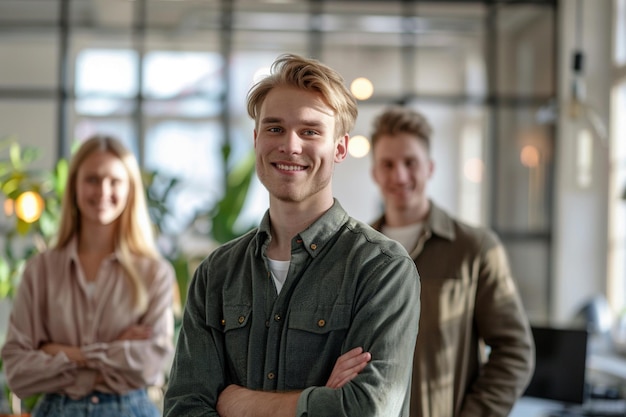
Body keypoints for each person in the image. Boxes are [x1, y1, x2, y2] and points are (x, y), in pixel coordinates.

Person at [163, 53, 421, 417]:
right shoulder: (216, 274)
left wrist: (239, 403)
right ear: (256, 139)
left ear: (340, 148)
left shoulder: (382, 269)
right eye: (274, 128)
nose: (290, 145)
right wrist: (319, 400)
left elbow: (366, 409)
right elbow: (182, 409)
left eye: (310, 131)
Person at [369, 106, 535, 417]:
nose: (399, 175)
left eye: (410, 162)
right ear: (374, 172)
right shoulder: (358, 253)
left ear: (430, 167)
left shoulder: (475, 248)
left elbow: (515, 351)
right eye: (387, 164)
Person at [1, 135, 176, 417]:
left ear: (130, 189)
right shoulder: (40, 270)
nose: (102, 191)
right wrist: (114, 350)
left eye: (114, 181)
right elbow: (18, 372)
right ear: (74, 186)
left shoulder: (154, 273)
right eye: (92, 179)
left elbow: (151, 366)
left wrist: (56, 352)